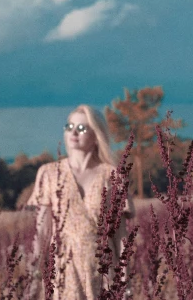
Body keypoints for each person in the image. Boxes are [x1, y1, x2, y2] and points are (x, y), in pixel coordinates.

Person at [27, 104, 135, 299]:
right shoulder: (49, 173)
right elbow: (42, 232)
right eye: (69, 127)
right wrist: (34, 276)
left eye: (82, 128)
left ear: (96, 135)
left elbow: (121, 236)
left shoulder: (113, 176)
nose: (74, 132)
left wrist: (124, 283)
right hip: (62, 270)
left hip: (102, 269)